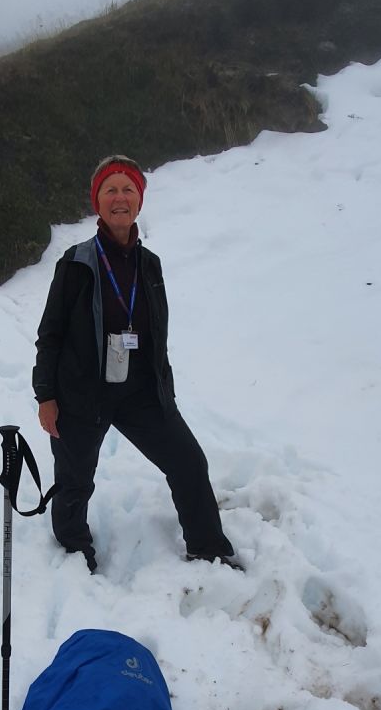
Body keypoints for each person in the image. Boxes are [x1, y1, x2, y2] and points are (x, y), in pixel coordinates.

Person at [33, 154, 242, 574]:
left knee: (188, 462)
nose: (120, 197)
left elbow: (155, 334)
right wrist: (46, 396)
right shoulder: (75, 263)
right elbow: (50, 334)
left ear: (139, 201)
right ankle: (74, 551)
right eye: (110, 189)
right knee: (75, 481)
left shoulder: (151, 265)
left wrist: (164, 390)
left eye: (128, 188)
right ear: (97, 201)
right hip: (82, 395)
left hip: (140, 393)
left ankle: (208, 550)